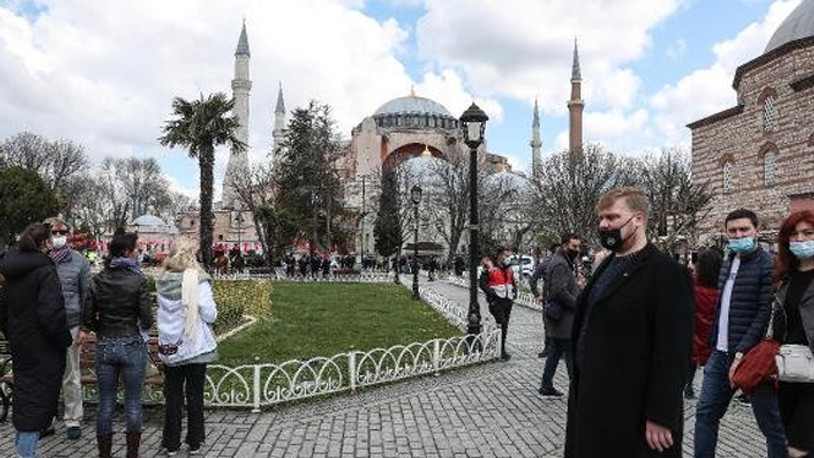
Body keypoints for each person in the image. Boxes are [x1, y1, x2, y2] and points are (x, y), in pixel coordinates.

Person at [565, 187, 693, 458]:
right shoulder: (606, 265)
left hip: (632, 408)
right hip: (591, 400)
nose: (603, 225)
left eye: (611, 217)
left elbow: (674, 351)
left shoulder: (667, 273)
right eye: (601, 218)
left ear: (638, 219)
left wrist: (661, 413)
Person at [694, 209, 786, 458]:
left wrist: (741, 353)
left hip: (753, 359)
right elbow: (720, 309)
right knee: (705, 415)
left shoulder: (768, 265)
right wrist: (711, 347)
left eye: (744, 230)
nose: (738, 234)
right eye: (733, 230)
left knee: (771, 426)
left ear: (756, 230)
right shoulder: (728, 261)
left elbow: (763, 312)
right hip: (720, 354)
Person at [0, 223, 72, 458]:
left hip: (21, 345)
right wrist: (63, 340)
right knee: (35, 407)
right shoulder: (44, 270)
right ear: (44, 244)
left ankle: (22, 451)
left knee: (25, 400)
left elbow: (3, 309)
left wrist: (13, 334)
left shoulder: (12, 269)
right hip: (44, 348)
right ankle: (26, 454)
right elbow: (52, 313)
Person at [81, 232, 153, 458]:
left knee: (106, 403)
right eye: (137, 249)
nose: (139, 252)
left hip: (105, 344)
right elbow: (148, 319)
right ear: (127, 252)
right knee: (132, 402)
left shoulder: (98, 279)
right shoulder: (139, 279)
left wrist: (100, 327)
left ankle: (105, 454)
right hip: (131, 342)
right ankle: (132, 454)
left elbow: (87, 317)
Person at [156, 239, 218, 456]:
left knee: (172, 395)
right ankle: (194, 439)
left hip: (170, 344)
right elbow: (210, 313)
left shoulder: (162, 280)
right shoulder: (198, 280)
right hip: (193, 345)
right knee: (194, 395)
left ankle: (170, 442)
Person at [43, 217, 92, 440]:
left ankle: (73, 418)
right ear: (47, 234)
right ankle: (46, 418)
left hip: (71, 324)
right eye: (55, 232)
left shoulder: (79, 261)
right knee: (45, 375)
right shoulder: (40, 260)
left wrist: (84, 326)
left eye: (63, 231)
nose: (59, 235)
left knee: (71, 375)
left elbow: (87, 296)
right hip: (43, 327)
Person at [771, 210, 814, 458]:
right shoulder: (784, 276)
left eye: (808, 233)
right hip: (789, 371)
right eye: (794, 234)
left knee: (797, 448)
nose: (800, 239)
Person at [539, 234, 582, 397]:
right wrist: (577, 304)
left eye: (578, 247)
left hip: (561, 318)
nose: (577, 250)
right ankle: (577, 388)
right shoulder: (561, 264)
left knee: (555, 352)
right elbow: (559, 291)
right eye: (574, 247)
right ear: (564, 246)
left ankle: (546, 384)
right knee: (571, 355)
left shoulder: (562, 262)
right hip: (564, 319)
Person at [685, 248, 723, 399]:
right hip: (710, 333)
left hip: (693, 330)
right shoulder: (721, 289)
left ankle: (688, 384)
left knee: (691, 359)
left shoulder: (692, 286)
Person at [479, 247, 517, 361]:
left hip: (507, 299)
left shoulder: (509, 268)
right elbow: (482, 283)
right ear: (499, 255)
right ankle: (499, 350)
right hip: (496, 300)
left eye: (508, 256)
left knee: (504, 326)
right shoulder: (490, 267)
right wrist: (492, 293)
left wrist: (515, 291)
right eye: (505, 255)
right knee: (501, 323)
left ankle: (501, 349)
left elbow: (512, 281)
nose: (507, 258)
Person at [530, 242, 560, 358]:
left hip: (562, 298)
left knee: (561, 324)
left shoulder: (566, 263)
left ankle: (559, 349)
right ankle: (548, 348)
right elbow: (533, 280)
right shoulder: (545, 264)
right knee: (548, 325)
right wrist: (537, 295)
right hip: (549, 299)